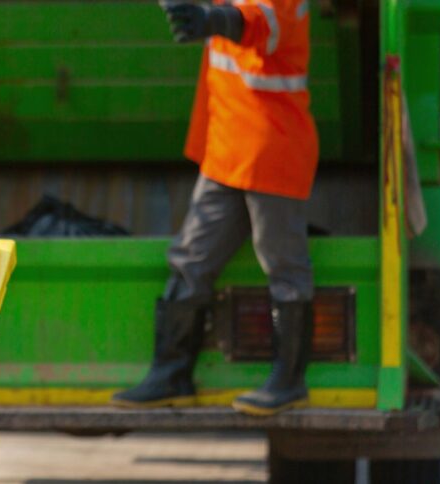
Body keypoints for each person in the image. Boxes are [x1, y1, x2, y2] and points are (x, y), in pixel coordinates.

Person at [111, 0, 318, 416]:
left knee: (284, 266)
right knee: (191, 258)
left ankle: (289, 380)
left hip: (270, 151)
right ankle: (172, 373)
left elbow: (261, 22)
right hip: (226, 151)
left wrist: (213, 20)